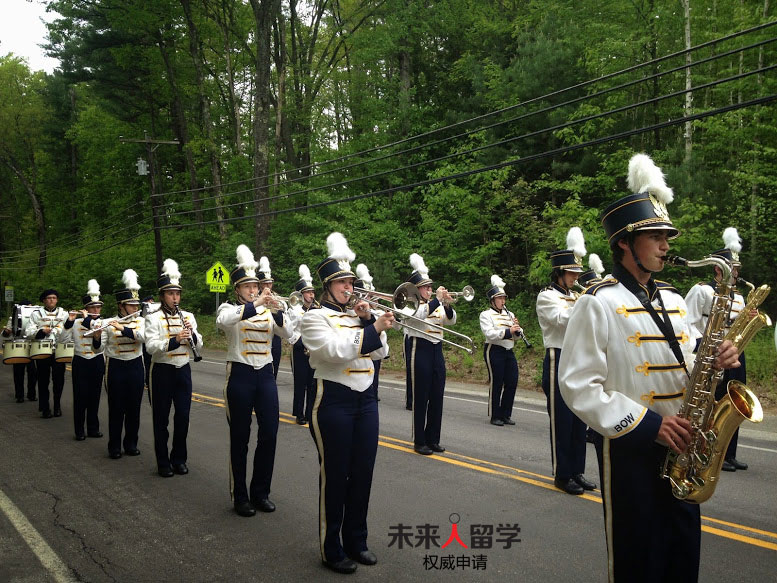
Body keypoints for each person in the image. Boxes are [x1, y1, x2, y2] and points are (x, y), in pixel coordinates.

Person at [559, 153, 740, 583]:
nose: (666, 245)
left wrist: (715, 362)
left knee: (682, 558)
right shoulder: (596, 302)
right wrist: (647, 426)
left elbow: (688, 367)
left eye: (666, 236)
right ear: (624, 242)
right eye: (656, 236)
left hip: (685, 445)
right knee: (640, 561)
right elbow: (578, 386)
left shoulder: (676, 300)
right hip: (632, 448)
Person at [301, 232, 392, 574]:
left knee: (363, 473)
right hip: (334, 400)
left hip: (366, 398)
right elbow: (334, 352)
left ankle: (357, 540)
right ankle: (331, 546)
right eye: (341, 282)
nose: (348, 287)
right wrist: (370, 330)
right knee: (336, 476)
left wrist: (371, 321)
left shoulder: (359, 314)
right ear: (327, 286)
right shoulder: (314, 317)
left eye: (349, 281)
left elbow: (381, 352)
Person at [217, 245, 293, 517]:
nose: (253, 290)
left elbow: (289, 335)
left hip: (265, 375)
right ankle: (240, 496)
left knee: (270, 433)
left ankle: (261, 492)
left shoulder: (267, 310)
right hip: (239, 374)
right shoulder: (230, 308)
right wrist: (255, 304)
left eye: (255, 286)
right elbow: (224, 321)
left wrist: (279, 311)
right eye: (247, 287)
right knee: (240, 437)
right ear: (238, 290)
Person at [684, 227, 753, 472]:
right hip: (712, 354)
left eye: (737, 270)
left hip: (735, 352)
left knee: (735, 403)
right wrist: (701, 346)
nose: (736, 273)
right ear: (718, 269)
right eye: (733, 269)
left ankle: (729, 453)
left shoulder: (740, 296)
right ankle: (709, 452)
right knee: (714, 402)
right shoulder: (702, 290)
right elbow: (687, 323)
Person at [536, 227, 596, 495]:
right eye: (571, 273)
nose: (575, 277)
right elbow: (563, 321)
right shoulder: (546, 296)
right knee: (562, 420)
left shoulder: (575, 296)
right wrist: (586, 302)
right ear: (559, 272)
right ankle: (562, 474)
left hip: (578, 357)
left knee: (578, 418)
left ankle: (577, 471)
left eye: (577, 273)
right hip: (557, 356)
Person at [145, 259, 203, 478]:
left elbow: (200, 344)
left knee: (183, 417)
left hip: (183, 369)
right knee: (161, 419)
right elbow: (151, 347)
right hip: (162, 371)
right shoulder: (153, 318)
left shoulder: (188, 316)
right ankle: (163, 462)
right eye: (170, 294)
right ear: (162, 295)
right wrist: (175, 340)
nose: (175, 298)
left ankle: (179, 459)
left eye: (177, 293)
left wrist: (192, 337)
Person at [404, 252, 456, 456]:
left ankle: (433, 438)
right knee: (421, 397)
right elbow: (417, 318)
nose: (430, 289)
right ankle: (419, 440)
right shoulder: (410, 304)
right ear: (417, 289)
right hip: (421, 347)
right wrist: (436, 301)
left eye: (430, 287)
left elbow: (450, 321)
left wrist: (448, 304)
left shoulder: (436, 304)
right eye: (426, 287)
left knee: (437, 396)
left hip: (437, 349)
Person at [102, 269, 146, 459]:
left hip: (135, 365)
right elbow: (97, 349)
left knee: (134, 408)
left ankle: (131, 443)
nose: (135, 308)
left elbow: (144, 337)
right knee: (116, 408)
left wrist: (123, 328)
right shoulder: (107, 322)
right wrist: (97, 336)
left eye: (137, 304)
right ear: (121, 306)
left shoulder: (143, 322)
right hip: (116, 367)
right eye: (131, 305)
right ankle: (114, 446)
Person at [62, 280, 105, 441]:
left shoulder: (102, 322)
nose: (96, 310)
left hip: (96, 360)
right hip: (80, 361)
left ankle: (93, 428)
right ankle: (79, 430)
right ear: (86, 309)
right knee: (80, 397)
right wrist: (69, 320)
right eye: (93, 307)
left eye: (98, 307)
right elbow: (63, 339)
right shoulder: (76, 322)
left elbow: (95, 330)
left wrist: (87, 319)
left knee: (95, 396)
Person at [479, 275, 520, 426]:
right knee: (497, 383)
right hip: (494, 350)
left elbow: (515, 338)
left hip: (509, 351)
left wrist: (517, 332)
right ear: (492, 300)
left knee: (512, 381)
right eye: (499, 298)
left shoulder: (510, 314)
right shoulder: (485, 314)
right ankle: (495, 415)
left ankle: (506, 414)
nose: (503, 301)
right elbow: (490, 334)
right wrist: (509, 331)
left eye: (504, 298)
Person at [26, 289, 67, 418]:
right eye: (49, 298)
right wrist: (42, 330)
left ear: (57, 300)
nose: (51, 300)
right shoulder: (36, 314)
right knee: (43, 380)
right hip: (42, 350)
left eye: (54, 298)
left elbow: (69, 330)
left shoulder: (64, 313)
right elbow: (29, 331)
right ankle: (45, 407)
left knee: (59, 380)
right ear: (44, 300)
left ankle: (57, 406)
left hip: (58, 350)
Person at [287, 263, 318, 425]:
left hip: (313, 349)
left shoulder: (317, 309)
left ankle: (310, 412)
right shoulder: (294, 310)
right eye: (308, 292)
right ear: (301, 295)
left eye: (312, 292)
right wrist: (298, 341)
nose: (311, 295)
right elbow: (289, 330)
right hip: (299, 348)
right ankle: (299, 413)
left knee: (312, 383)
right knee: (300, 383)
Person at [355, 263, 386, 403]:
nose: (369, 297)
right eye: (366, 294)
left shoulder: (376, 311)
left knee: (375, 371)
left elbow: (381, 351)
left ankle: (374, 392)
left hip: (374, 351)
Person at [2, 300, 37, 403]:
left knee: (33, 372)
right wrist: (7, 331)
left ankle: (31, 394)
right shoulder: (13, 318)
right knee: (18, 372)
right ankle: (19, 395)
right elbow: (5, 334)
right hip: (18, 346)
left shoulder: (35, 317)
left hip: (30, 345)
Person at [257, 255, 282, 379]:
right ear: (260, 284)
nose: (268, 285)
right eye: (265, 283)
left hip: (275, 336)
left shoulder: (276, 297)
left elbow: (283, 320)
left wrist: (276, 306)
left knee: (274, 372)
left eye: (270, 283)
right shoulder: (254, 299)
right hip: (260, 335)